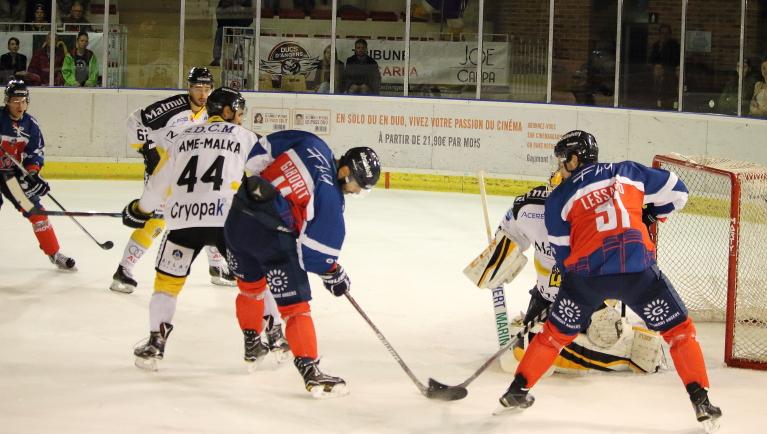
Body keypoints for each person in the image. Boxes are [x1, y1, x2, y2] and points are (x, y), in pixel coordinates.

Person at [496, 130, 722, 432]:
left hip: (586, 280)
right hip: (637, 273)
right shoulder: (627, 171)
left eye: (563, 160)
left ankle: (517, 391)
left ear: (574, 159)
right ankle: (701, 400)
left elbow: (564, 256)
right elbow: (679, 192)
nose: (560, 167)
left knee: (553, 336)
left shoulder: (559, 197)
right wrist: (650, 216)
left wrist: (568, 294)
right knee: (679, 331)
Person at [122, 87, 284, 371]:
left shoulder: (182, 137)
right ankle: (271, 336)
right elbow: (270, 174)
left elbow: (158, 184)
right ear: (227, 111)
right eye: (239, 113)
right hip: (227, 221)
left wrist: (140, 210)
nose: (241, 119)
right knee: (255, 281)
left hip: (183, 222)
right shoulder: (246, 137)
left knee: (166, 285)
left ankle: (155, 342)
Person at [224, 131, 381, 397]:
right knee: (296, 309)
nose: (356, 192)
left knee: (250, 288)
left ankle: (252, 345)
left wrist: (266, 188)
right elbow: (313, 256)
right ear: (345, 171)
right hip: (272, 237)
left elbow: (259, 153)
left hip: (237, 220)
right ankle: (310, 371)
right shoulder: (330, 198)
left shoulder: (313, 143)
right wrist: (334, 273)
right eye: (358, 185)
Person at [464, 174, 663, 375]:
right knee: (530, 344)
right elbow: (506, 240)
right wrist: (496, 261)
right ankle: (586, 348)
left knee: (584, 339)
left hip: (590, 299)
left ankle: (625, 352)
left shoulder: (602, 214)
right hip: (545, 297)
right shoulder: (529, 209)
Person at [111, 67, 237, 294]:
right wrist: (148, 150)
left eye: (207, 88)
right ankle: (124, 269)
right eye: (197, 88)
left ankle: (217, 267)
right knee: (156, 222)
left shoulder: (212, 111)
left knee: (208, 213)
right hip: (163, 170)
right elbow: (135, 121)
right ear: (189, 87)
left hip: (191, 173)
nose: (202, 94)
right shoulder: (172, 107)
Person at [0, 79, 76, 270]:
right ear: (7, 101)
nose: (20, 105)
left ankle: (54, 253)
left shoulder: (31, 125)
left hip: (10, 177)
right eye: (15, 101)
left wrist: (33, 173)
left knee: (35, 212)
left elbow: (34, 153)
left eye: (23, 101)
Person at [210, 0, 253, 67]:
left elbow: (249, 17)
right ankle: (217, 59)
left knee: (244, 37)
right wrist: (227, 26)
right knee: (219, 34)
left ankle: (243, 59)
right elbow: (219, 13)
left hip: (240, 26)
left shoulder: (246, 1)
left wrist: (239, 26)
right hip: (225, 25)